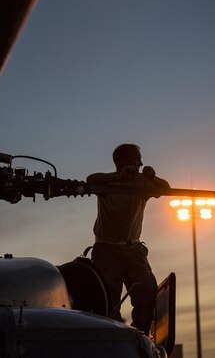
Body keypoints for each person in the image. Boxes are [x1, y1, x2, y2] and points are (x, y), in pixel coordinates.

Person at [86, 143, 170, 335]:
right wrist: (118, 177)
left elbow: (166, 189)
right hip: (106, 251)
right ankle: (112, 337)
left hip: (134, 250)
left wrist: (153, 177)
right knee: (107, 301)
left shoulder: (142, 183)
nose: (140, 163)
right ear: (123, 161)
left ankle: (140, 336)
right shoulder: (106, 183)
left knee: (147, 292)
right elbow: (91, 179)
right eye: (136, 159)